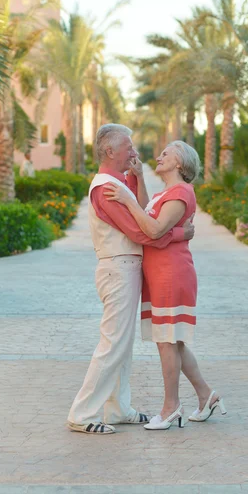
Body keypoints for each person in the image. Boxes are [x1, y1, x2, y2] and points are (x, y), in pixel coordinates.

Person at [67, 125, 195, 435]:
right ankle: (82, 414)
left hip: (126, 267)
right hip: (118, 268)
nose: (135, 152)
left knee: (122, 345)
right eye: (128, 147)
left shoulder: (119, 181)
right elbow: (141, 231)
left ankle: (118, 408)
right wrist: (179, 233)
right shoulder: (105, 188)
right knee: (113, 343)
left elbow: (143, 210)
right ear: (110, 152)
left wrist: (136, 178)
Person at [105, 140, 226, 430]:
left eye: (166, 154)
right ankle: (206, 396)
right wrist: (139, 180)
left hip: (172, 274)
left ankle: (171, 408)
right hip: (162, 272)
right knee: (175, 341)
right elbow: (151, 218)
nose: (158, 156)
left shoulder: (181, 192)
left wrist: (126, 198)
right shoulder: (168, 193)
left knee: (167, 341)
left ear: (180, 163)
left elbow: (154, 230)